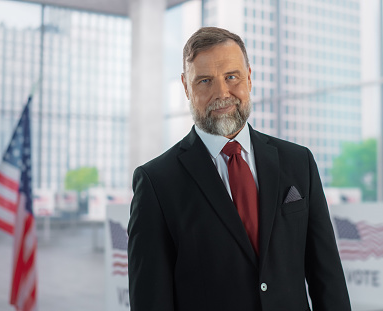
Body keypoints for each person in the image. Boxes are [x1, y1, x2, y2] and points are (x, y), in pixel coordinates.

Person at [128, 27, 351, 311]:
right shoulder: (156, 182)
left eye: (231, 77)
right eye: (205, 81)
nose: (222, 93)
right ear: (186, 87)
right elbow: (150, 299)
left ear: (249, 76)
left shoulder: (299, 162)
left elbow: (327, 277)